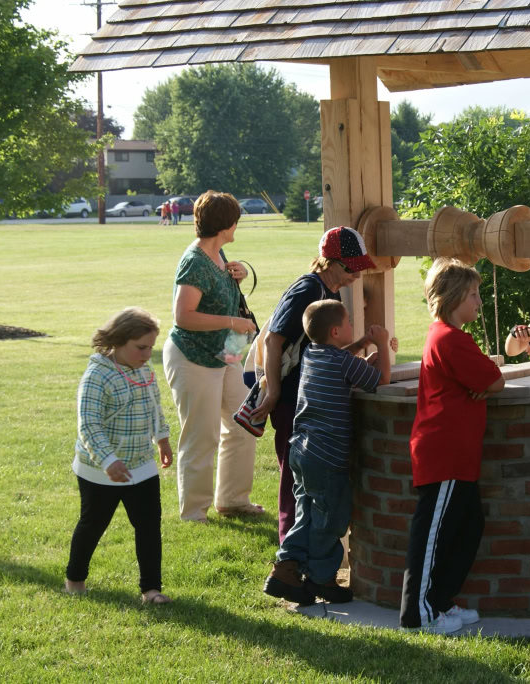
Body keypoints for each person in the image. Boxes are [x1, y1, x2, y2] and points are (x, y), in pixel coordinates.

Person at [250, 226, 376, 542]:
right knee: (294, 487)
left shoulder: (329, 292)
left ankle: (306, 556)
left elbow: (320, 353)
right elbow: (273, 339)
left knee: (308, 487)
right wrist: (275, 393)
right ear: (329, 261)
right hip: (292, 402)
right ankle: (290, 562)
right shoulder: (308, 289)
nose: (356, 276)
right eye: (351, 268)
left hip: (306, 403)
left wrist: (361, 344)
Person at [399, 258, 505, 635]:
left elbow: (488, 375)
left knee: (467, 527)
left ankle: (441, 602)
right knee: (432, 536)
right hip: (443, 453)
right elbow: (494, 380)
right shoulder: (449, 337)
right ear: (455, 296)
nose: (479, 301)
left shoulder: (452, 336)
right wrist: (488, 376)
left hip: (458, 456)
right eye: (473, 294)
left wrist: (486, 375)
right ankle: (419, 613)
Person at [262, 300, 392, 605]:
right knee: (331, 517)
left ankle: (286, 569)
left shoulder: (312, 353)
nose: (351, 327)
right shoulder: (342, 362)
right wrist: (383, 345)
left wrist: (361, 344)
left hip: (301, 452)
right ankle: (322, 579)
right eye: (348, 323)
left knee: (305, 512)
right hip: (328, 457)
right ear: (336, 331)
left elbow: (343, 361)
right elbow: (382, 380)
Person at [162, 190, 260, 523]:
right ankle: (193, 513)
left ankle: (232, 500)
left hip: (225, 354)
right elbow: (183, 316)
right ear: (225, 224)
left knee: (244, 423)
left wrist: (237, 275)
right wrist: (234, 322)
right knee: (201, 436)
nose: (237, 227)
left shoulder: (219, 256)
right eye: (235, 221)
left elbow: (220, 293)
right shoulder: (194, 261)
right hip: (192, 358)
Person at [66, 307, 173, 604]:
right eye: (141, 347)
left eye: (151, 347)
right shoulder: (97, 375)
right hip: (100, 469)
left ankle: (151, 589)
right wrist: (108, 460)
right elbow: (89, 424)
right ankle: (75, 580)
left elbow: (154, 406)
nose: (146, 354)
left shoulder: (144, 370)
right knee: (93, 524)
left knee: (149, 526)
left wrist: (162, 438)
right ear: (118, 340)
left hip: (141, 464)